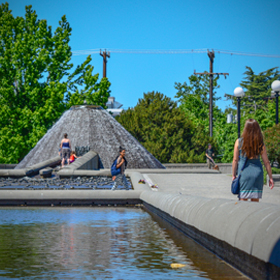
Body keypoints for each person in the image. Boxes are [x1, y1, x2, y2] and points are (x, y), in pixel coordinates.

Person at [232, 119, 274, 202]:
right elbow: (266, 162)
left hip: (244, 174)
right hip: (257, 174)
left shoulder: (239, 142)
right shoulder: (260, 144)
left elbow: (235, 160)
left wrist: (234, 175)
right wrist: (270, 177)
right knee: (255, 204)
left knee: (243, 202)